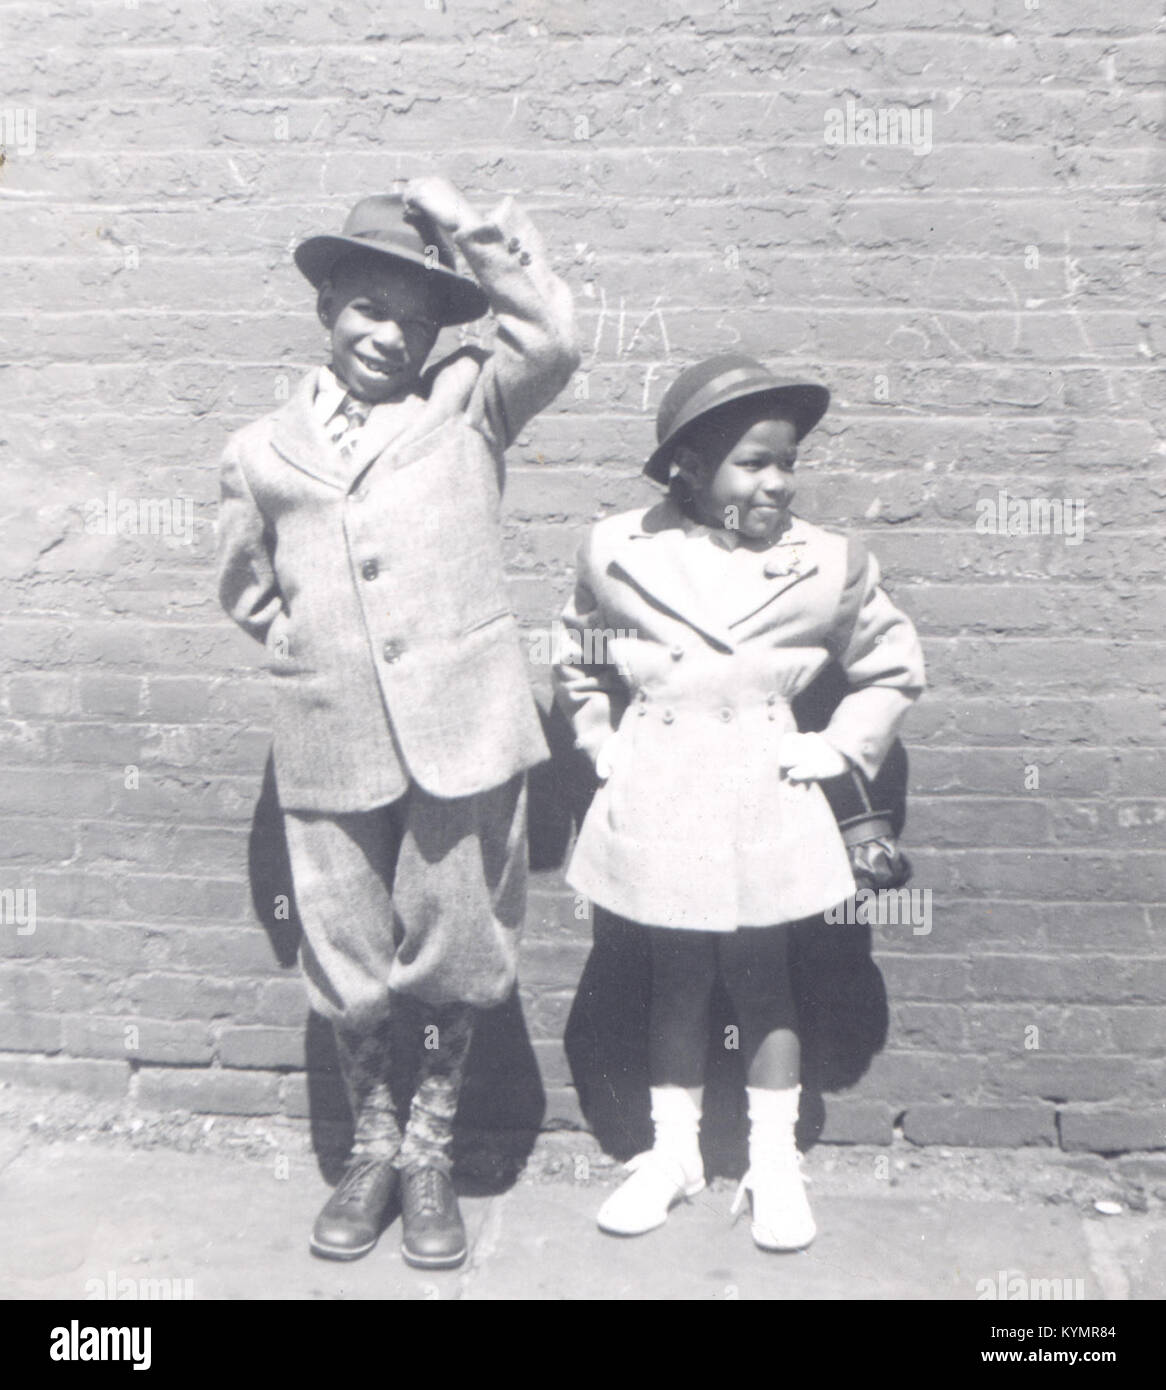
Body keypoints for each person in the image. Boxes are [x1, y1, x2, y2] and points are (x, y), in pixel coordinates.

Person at [217, 177, 578, 1269]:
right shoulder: (258, 449)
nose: (391, 335)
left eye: (416, 320)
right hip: (330, 735)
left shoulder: (469, 399)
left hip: (463, 724)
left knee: (456, 948)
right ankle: (371, 1142)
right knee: (347, 954)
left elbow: (552, 333)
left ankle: (429, 1151)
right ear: (327, 306)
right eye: (369, 308)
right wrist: (311, 649)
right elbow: (244, 584)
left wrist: (465, 219)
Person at [552, 354, 924, 1251]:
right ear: (689, 466)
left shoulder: (827, 563)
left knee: (764, 979)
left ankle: (772, 1162)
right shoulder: (616, 549)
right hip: (666, 791)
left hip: (767, 797)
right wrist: (602, 741)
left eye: (787, 461)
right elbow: (577, 649)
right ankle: (672, 1153)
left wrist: (835, 744)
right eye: (754, 462)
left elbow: (890, 663)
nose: (777, 481)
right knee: (674, 977)